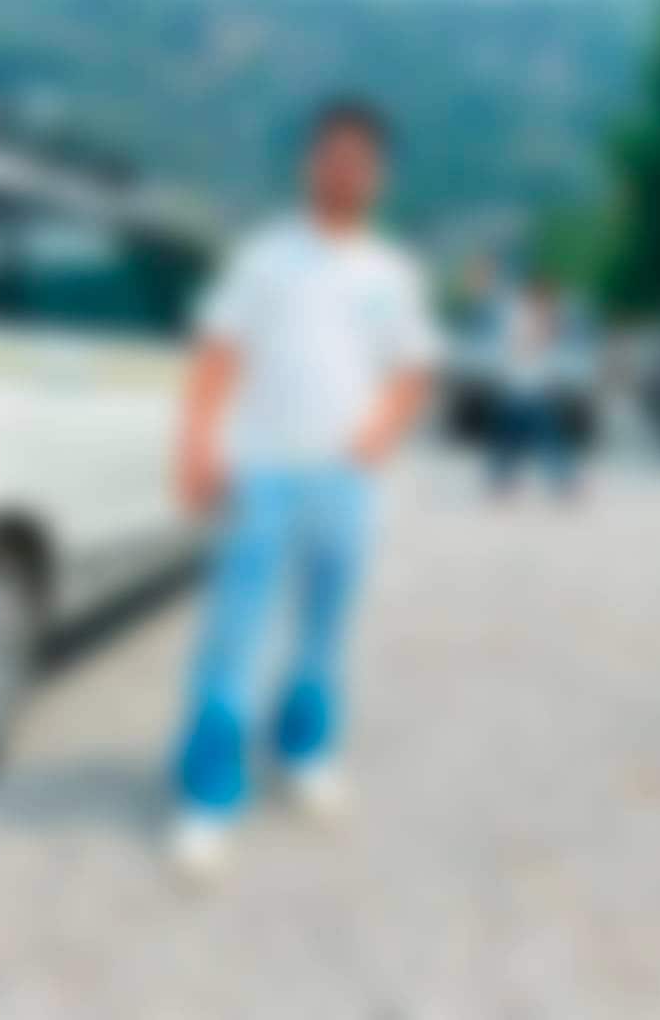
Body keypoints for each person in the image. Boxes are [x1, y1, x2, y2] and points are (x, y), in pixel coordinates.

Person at [169, 100, 437, 881]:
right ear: (309, 162)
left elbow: (414, 368)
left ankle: (305, 752)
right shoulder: (265, 256)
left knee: (324, 629)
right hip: (262, 469)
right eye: (332, 153)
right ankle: (208, 795)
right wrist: (197, 444)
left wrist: (379, 434)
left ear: (379, 175)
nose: (345, 168)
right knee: (235, 635)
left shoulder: (393, 272)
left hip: (343, 481)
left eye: (361, 158)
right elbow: (218, 353)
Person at [487, 276, 586, 495]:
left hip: (535, 387)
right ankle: (561, 482)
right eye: (547, 299)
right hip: (519, 386)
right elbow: (522, 345)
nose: (550, 304)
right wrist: (545, 329)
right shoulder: (519, 316)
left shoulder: (538, 317)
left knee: (519, 438)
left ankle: (502, 481)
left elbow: (549, 348)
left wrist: (551, 327)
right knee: (541, 437)